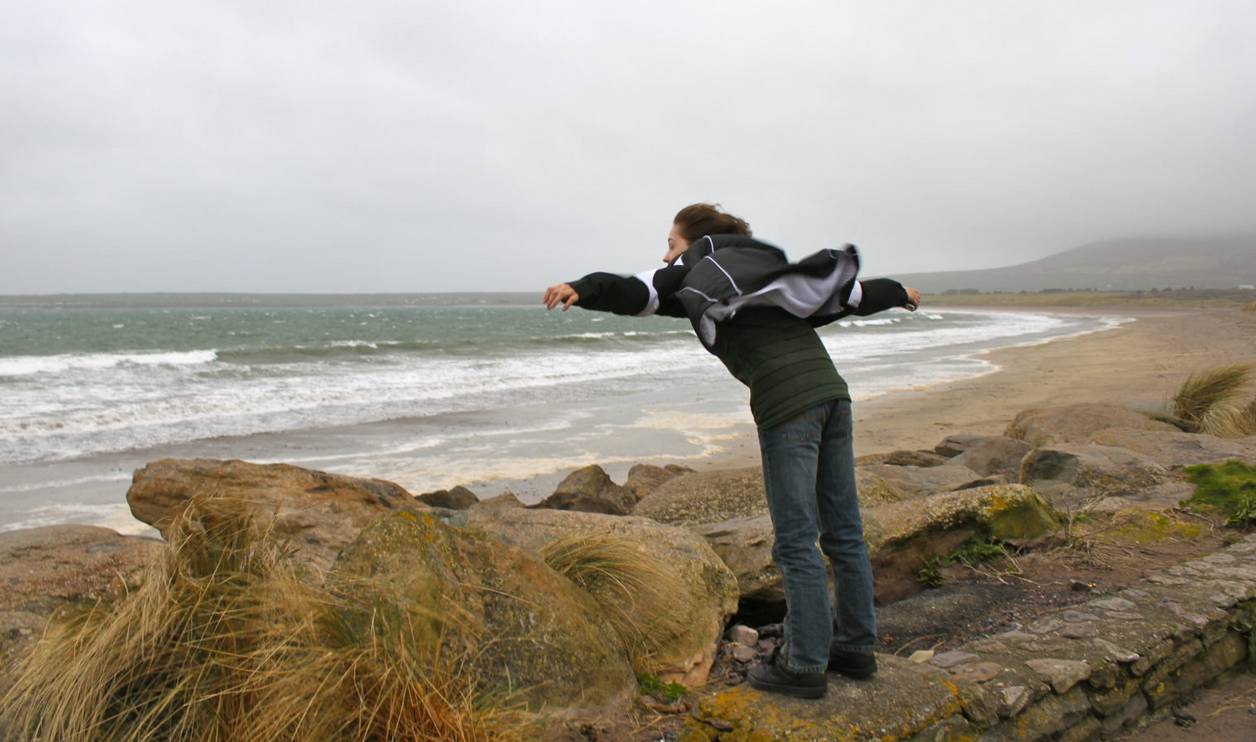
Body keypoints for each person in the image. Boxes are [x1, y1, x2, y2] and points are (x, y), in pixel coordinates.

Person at [543, 203, 921, 699]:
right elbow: (855, 294)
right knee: (844, 529)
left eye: (672, 244)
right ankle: (854, 646)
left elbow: (637, 289)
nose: (666, 254)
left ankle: (804, 664)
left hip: (787, 402)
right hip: (832, 392)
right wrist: (901, 294)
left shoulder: (699, 269)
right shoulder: (761, 266)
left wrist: (583, 288)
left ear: (694, 242)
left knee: (795, 539)